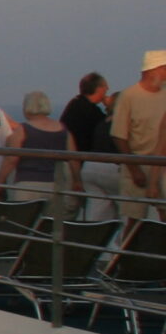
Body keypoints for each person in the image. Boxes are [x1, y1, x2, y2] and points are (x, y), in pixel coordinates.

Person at [112, 52, 166, 226]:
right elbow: (119, 135)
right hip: (137, 164)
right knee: (134, 220)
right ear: (153, 70)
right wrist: (134, 169)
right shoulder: (129, 96)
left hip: (162, 166)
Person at [62, 73, 118, 222]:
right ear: (98, 89)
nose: (107, 89)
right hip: (77, 166)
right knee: (71, 210)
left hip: (79, 165)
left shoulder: (75, 105)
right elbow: (108, 128)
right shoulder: (91, 112)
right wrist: (112, 107)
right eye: (105, 87)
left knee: (93, 209)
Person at [10, 93, 68, 200]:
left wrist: (0, 182)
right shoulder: (62, 129)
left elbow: (11, 159)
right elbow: (73, 157)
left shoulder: (23, 129)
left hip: (27, 183)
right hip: (54, 183)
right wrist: (77, 181)